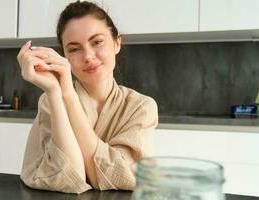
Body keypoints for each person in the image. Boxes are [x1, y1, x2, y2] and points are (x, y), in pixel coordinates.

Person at [16, 1, 158, 194]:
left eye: (97, 42)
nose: (88, 56)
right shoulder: (51, 101)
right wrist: (59, 92)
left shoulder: (141, 107)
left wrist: (67, 95)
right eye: (74, 49)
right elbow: (68, 178)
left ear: (117, 43)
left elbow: (123, 176)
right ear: (64, 56)